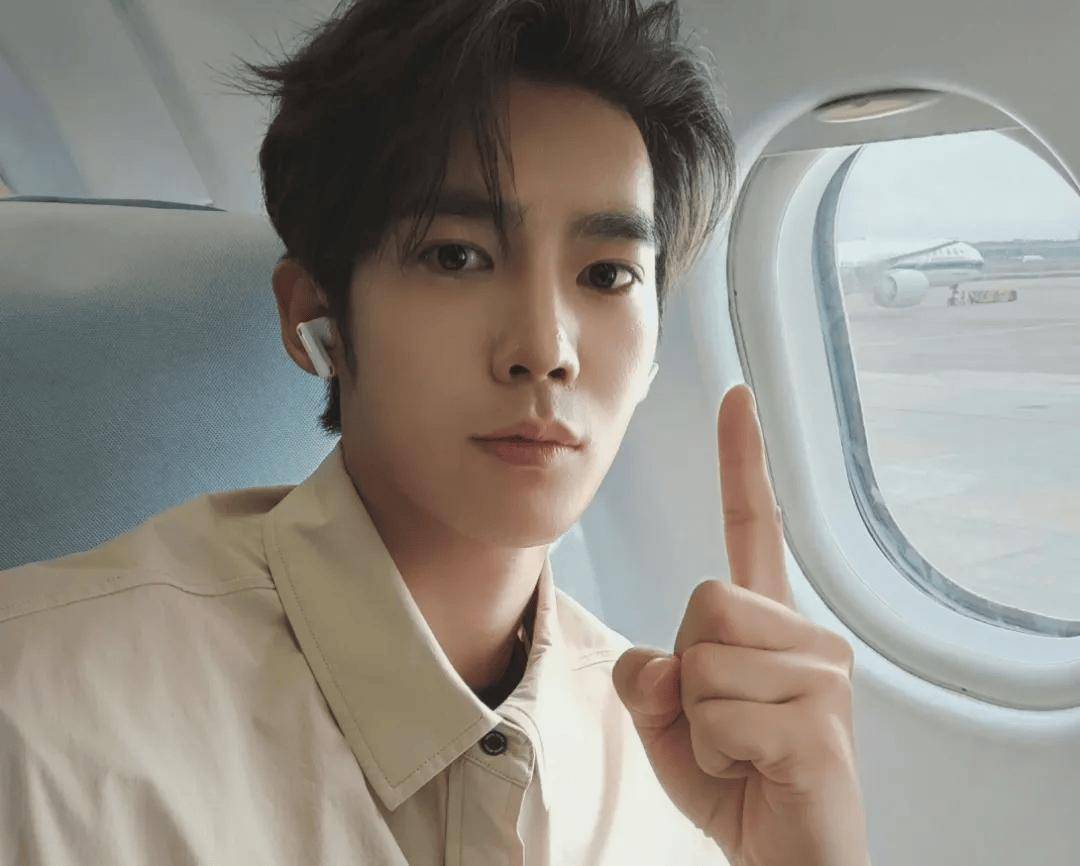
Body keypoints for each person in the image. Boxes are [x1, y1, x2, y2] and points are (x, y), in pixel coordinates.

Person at [2, 1, 870, 864]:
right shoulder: (40, 724)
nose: (545, 349)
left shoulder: (679, 765)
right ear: (315, 317)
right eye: (457, 256)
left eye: (607, 275)